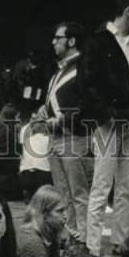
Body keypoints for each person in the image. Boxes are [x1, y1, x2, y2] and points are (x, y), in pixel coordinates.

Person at [79, 0, 129, 255]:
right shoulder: (98, 41)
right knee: (101, 187)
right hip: (110, 123)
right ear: (127, 11)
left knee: (125, 189)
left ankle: (120, 244)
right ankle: (92, 248)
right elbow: (87, 84)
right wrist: (106, 116)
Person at [37, 21, 92, 241]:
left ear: (71, 41)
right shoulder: (58, 71)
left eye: (58, 38)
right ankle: (70, 236)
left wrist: (58, 120)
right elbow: (57, 102)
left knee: (78, 193)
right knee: (62, 195)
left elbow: (85, 107)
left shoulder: (83, 68)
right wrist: (44, 109)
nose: (53, 42)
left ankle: (85, 240)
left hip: (73, 137)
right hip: (56, 138)